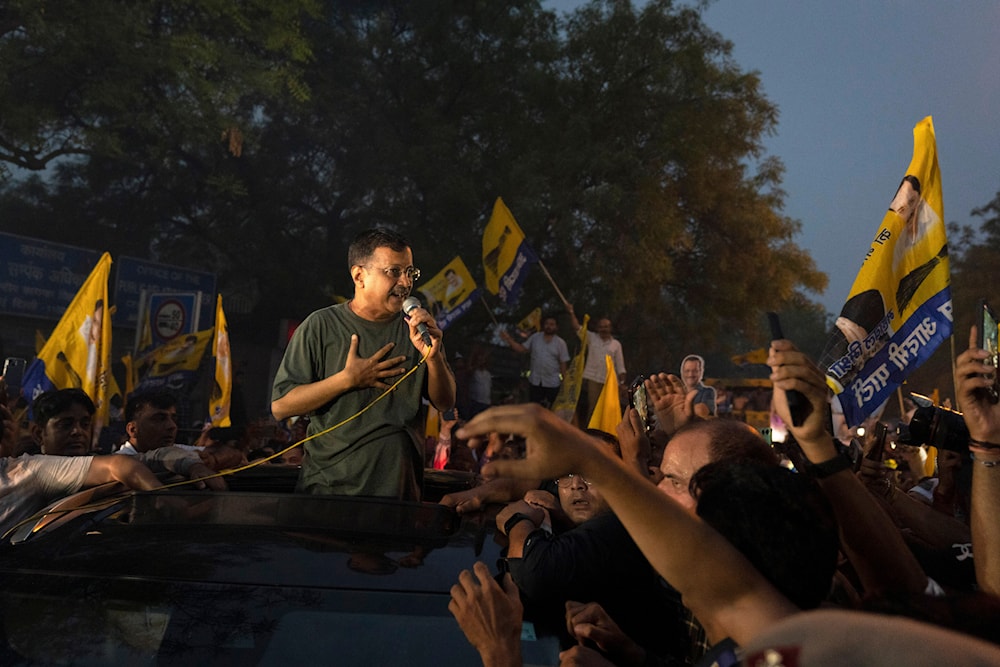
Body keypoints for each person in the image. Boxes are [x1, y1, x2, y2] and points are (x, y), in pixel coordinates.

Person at [271, 228, 456, 500]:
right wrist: (347, 380)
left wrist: (435, 357)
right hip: (328, 495)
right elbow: (281, 407)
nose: (405, 282)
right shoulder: (320, 326)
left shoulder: (417, 329)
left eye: (410, 272)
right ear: (359, 276)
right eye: (393, 271)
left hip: (400, 495)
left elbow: (446, 402)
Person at [566, 303, 626, 425]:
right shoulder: (591, 338)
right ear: (597, 328)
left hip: (609, 380)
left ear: (611, 328)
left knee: (608, 410)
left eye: (606, 327)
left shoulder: (616, 344)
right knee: (593, 408)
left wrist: (622, 383)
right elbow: (577, 327)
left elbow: (620, 366)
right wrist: (571, 312)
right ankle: (590, 434)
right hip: (593, 378)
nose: (603, 329)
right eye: (601, 327)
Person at [499, 315, 568, 408]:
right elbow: (521, 349)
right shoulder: (535, 338)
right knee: (533, 409)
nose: (549, 326)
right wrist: (508, 339)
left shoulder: (561, 343)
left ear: (556, 327)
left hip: (552, 383)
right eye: (547, 324)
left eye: (552, 324)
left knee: (550, 411)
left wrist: (565, 384)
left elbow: (563, 364)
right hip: (535, 381)